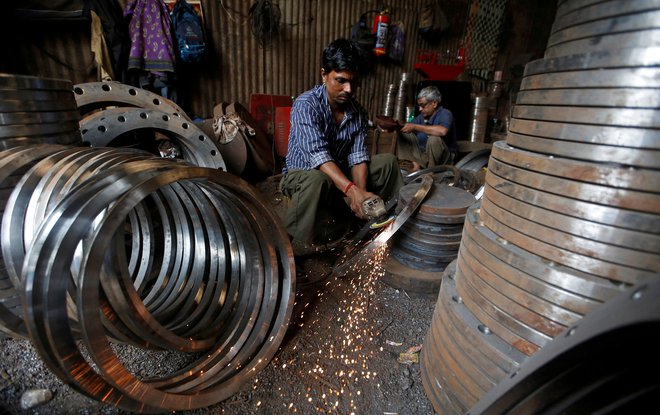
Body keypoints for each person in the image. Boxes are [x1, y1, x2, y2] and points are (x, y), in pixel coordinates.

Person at [280, 38, 404, 252]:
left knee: (387, 162)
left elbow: (358, 157)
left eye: (354, 82)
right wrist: (351, 190)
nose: (348, 89)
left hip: (339, 176)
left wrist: (362, 196)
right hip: (303, 176)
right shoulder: (305, 105)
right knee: (318, 180)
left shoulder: (357, 112)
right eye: (341, 80)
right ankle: (287, 250)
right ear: (324, 74)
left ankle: (384, 227)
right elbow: (318, 156)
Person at [397, 86, 458, 171]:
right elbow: (408, 126)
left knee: (434, 139)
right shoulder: (421, 117)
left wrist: (415, 127)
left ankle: (431, 172)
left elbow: (443, 131)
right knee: (403, 134)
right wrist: (395, 126)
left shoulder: (445, 113)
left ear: (434, 103)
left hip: (443, 160)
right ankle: (415, 165)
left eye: (423, 105)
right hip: (424, 156)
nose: (420, 109)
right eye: (419, 106)